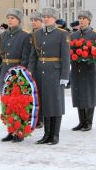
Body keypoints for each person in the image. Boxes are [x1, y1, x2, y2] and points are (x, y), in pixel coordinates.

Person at [28, 8, 70, 145]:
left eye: (49, 17)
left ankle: (55, 135)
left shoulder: (62, 34)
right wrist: (30, 73)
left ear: (55, 19)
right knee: (44, 103)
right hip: (41, 72)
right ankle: (47, 134)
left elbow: (65, 56)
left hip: (55, 72)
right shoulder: (37, 34)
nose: (46, 19)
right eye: (44, 16)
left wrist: (65, 75)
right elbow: (33, 56)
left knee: (55, 104)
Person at [0, 8, 32, 142]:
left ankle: (20, 132)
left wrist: (22, 74)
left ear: (19, 20)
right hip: (4, 71)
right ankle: (10, 130)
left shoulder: (25, 36)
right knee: (6, 103)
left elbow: (25, 57)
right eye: (8, 18)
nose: (10, 20)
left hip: (17, 73)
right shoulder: (2, 36)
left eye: (13, 18)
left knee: (18, 103)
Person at [70, 10, 96, 132]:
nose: (81, 20)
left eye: (84, 18)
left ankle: (88, 122)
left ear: (89, 20)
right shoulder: (73, 35)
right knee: (78, 94)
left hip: (88, 69)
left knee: (89, 94)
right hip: (76, 68)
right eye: (80, 18)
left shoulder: (95, 35)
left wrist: (89, 57)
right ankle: (81, 121)